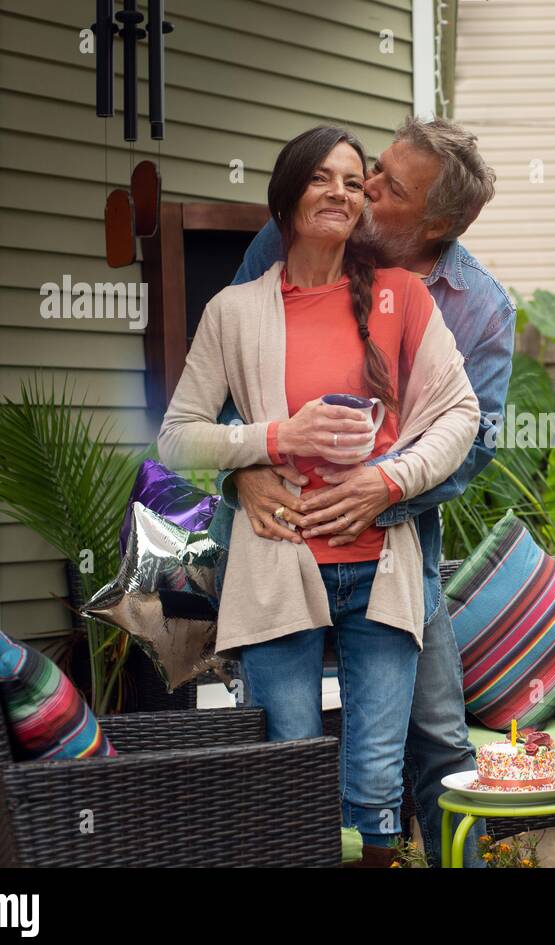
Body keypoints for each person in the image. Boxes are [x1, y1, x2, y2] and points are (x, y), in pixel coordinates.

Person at [158, 125, 480, 868]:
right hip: (278, 565)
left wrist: (390, 478)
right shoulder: (234, 311)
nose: (340, 190)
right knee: (290, 768)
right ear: (285, 196)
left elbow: (462, 416)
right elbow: (179, 436)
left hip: (381, 571)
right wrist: (274, 438)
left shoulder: (400, 297)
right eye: (320, 178)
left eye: (351, 179)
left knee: (373, 784)